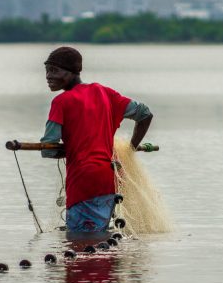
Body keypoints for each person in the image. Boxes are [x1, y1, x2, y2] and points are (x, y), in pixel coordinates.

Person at [41, 46, 153, 233]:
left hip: (82, 180)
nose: (48, 76)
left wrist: (66, 148)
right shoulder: (106, 93)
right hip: (108, 178)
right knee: (99, 235)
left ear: (72, 72)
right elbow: (145, 115)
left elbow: (48, 148)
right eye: (47, 70)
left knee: (81, 241)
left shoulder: (61, 102)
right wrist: (131, 148)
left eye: (54, 70)